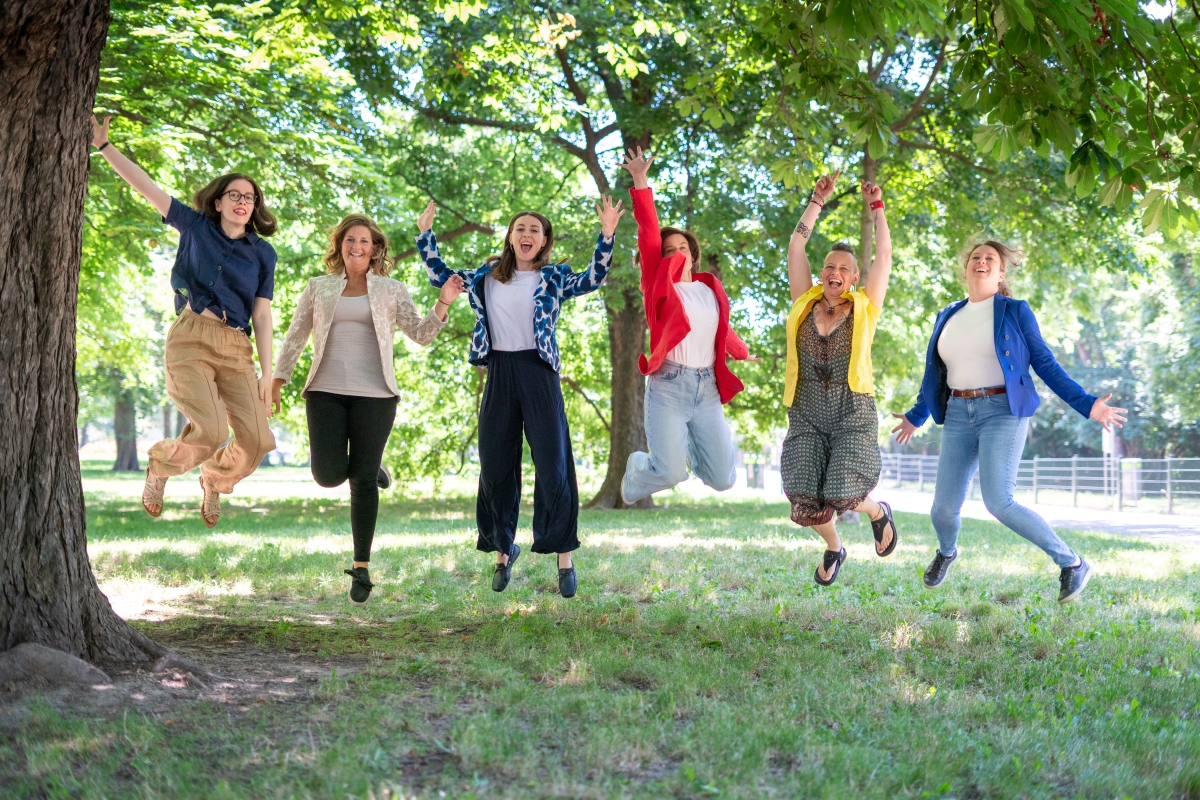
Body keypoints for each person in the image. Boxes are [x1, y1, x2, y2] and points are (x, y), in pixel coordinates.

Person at [892, 240, 1127, 604]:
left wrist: (1087, 404)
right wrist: (915, 416)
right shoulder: (947, 315)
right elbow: (937, 375)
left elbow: (1045, 363)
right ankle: (947, 551)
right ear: (966, 268)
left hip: (1002, 411)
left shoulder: (1014, 311)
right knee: (941, 508)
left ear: (1001, 273)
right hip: (957, 413)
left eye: (990, 259)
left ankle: (1072, 563)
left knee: (999, 500)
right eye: (975, 257)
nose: (981, 261)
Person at [416, 197, 623, 598]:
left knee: (553, 464)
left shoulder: (554, 277)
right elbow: (440, 276)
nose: (526, 234)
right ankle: (501, 549)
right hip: (499, 372)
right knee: (494, 464)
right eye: (520, 228)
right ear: (510, 237)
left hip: (539, 373)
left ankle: (563, 555)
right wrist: (425, 235)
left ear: (544, 240)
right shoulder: (486, 276)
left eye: (535, 230)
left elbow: (593, 278)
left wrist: (607, 234)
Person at [91, 114, 277, 528]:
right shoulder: (194, 226)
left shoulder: (264, 254)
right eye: (234, 194)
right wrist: (106, 147)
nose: (243, 201)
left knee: (259, 440)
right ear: (218, 202)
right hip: (191, 338)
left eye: (250, 197)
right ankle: (159, 467)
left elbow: (262, 314)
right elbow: (147, 188)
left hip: (236, 346)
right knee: (210, 431)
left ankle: (213, 479)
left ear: (254, 207)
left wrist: (268, 372)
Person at [272, 214, 465, 605]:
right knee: (327, 475)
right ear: (339, 246)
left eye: (364, 241)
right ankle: (371, 464)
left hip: (375, 395)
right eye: (349, 240)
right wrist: (278, 377)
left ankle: (361, 567)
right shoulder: (318, 288)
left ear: (376, 248)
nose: (356, 247)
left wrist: (443, 301)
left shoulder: (391, 290)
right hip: (325, 390)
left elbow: (422, 334)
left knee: (359, 482)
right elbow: (296, 333)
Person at [617, 148, 753, 505]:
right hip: (668, 386)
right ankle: (637, 470)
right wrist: (640, 180)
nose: (676, 253)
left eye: (683, 248)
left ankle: (692, 447)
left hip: (706, 387)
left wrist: (742, 352)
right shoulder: (657, 285)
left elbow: (722, 329)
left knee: (724, 479)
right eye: (669, 250)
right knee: (671, 472)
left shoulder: (709, 288)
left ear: (693, 255)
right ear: (660, 259)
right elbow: (648, 229)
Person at [782, 172, 898, 586]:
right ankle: (834, 547)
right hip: (807, 410)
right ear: (820, 275)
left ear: (852, 279)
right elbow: (798, 245)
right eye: (829, 265)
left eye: (844, 268)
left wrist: (877, 207)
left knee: (843, 494)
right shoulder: (804, 301)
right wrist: (817, 198)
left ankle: (877, 511)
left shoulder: (865, 307)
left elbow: (882, 257)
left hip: (852, 410)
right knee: (805, 500)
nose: (835, 271)